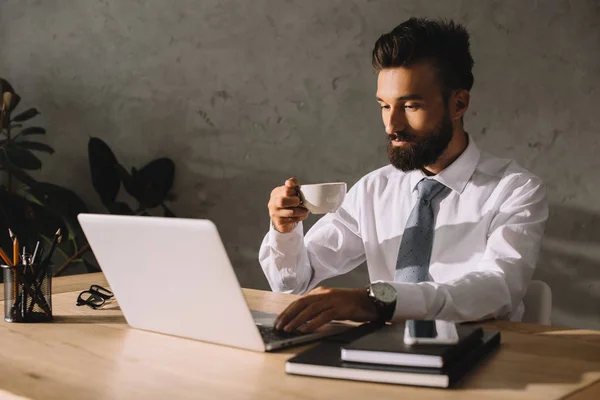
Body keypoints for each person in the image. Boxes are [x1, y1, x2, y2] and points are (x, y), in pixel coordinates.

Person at [259, 17, 548, 334]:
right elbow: (294, 282)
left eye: (410, 105)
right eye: (384, 106)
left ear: (459, 103)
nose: (391, 125)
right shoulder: (374, 189)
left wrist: (376, 301)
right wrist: (284, 232)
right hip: (386, 354)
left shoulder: (515, 190)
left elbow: (497, 288)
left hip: (484, 356)